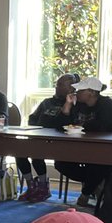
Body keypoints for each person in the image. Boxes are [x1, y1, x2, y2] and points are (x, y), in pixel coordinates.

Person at [52, 76, 112, 209]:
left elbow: (109, 126)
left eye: (81, 90)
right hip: (79, 147)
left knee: (97, 165)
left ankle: (86, 193)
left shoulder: (107, 104)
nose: (76, 93)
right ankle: (95, 184)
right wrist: (67, 106)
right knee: (60, 163)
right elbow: (59, 126)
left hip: (104, 149)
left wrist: (82, 126)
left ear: (92, 92)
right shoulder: (78, 105)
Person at [19, 72, 79, 203]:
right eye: (57, 84)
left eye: (60, 85)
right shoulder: (46, 102)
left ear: (71, 89)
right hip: (39, 136)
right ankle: (31, 186)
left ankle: (43, 186)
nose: (56, 87)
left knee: (36, 154)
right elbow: (32, 118)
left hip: (59, 141)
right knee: (19, 151)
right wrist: (36, 128)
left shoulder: (74, 105)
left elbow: (66, 124)